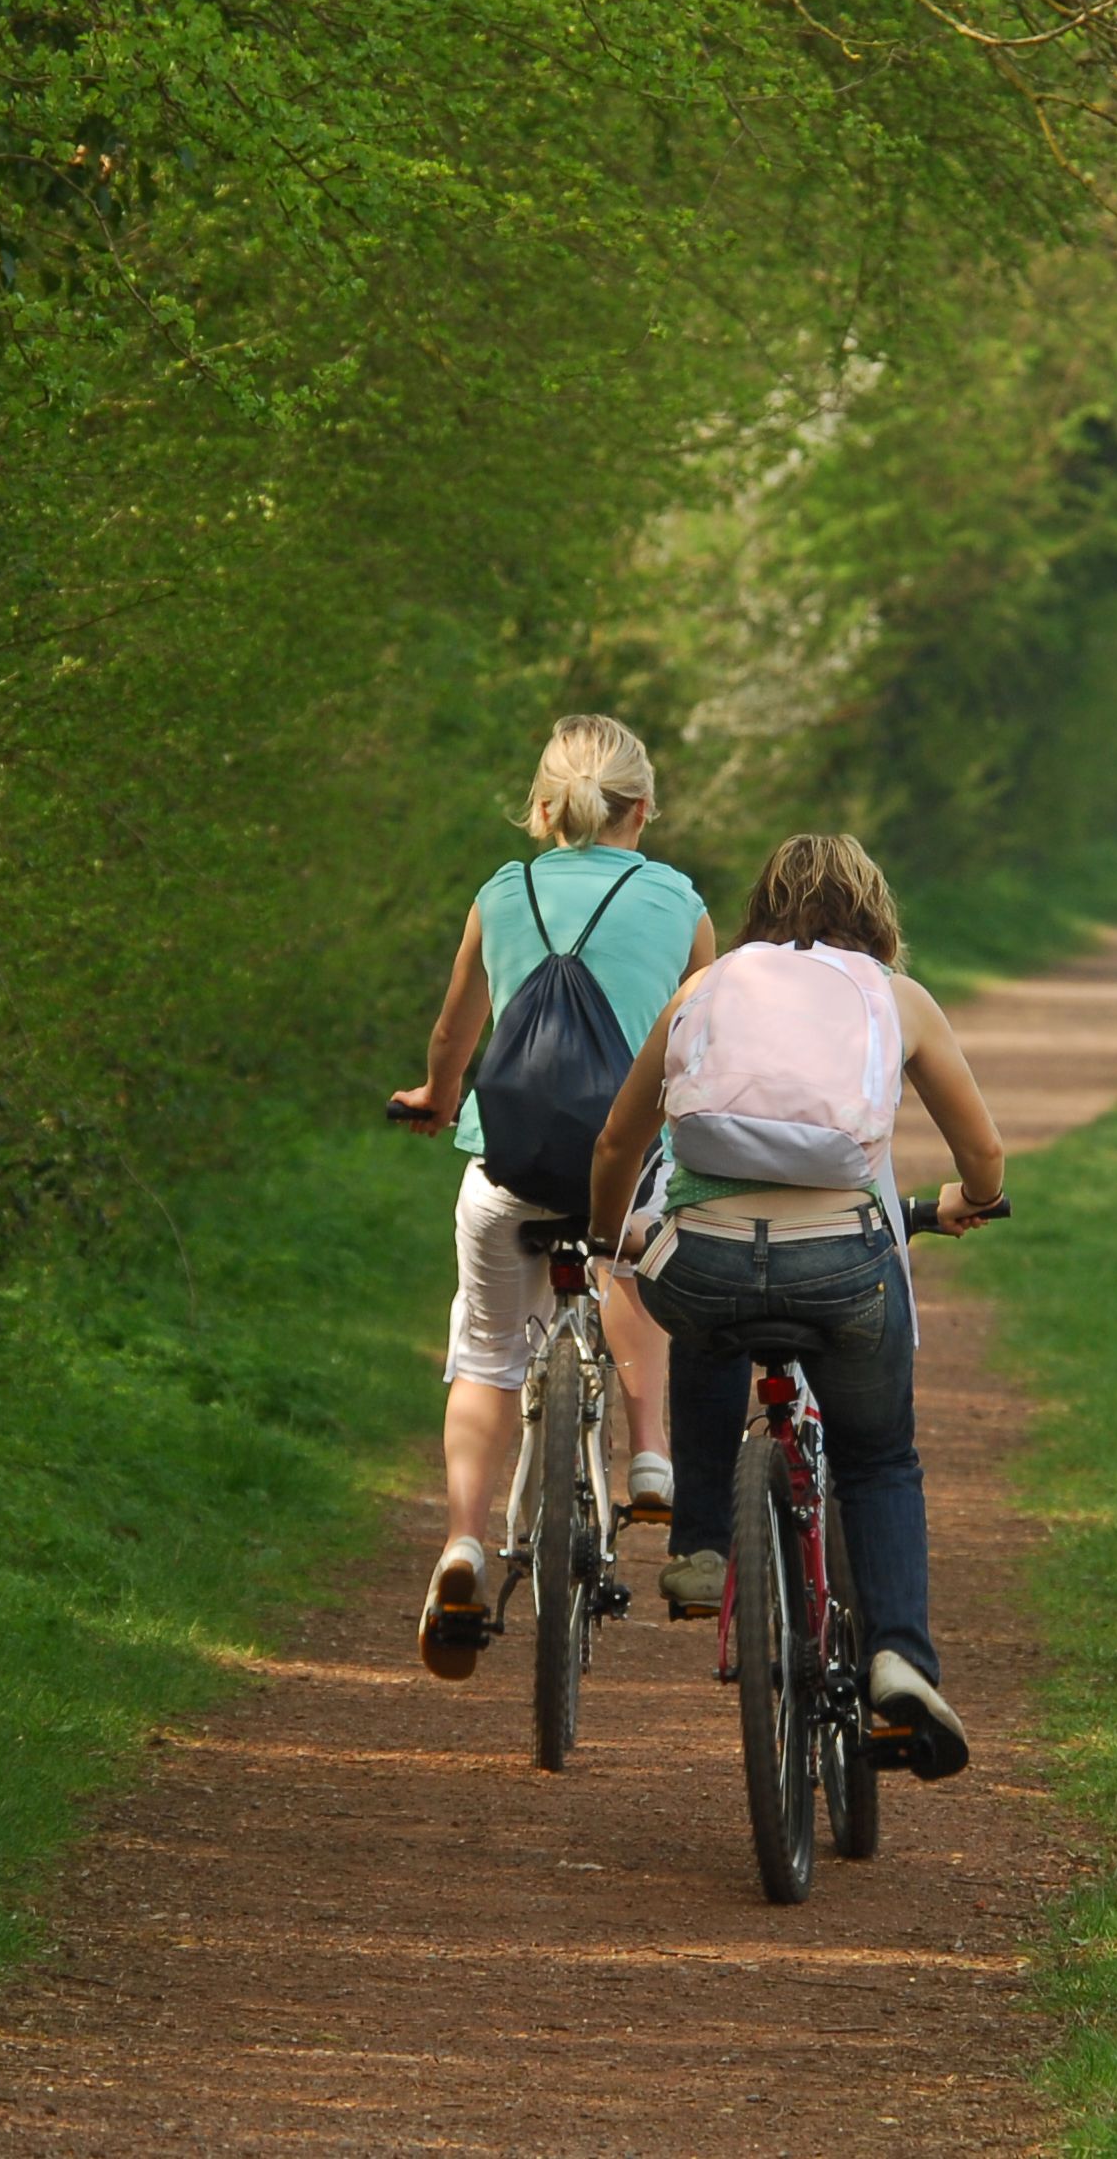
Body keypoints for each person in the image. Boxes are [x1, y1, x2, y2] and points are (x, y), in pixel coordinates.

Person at [587, 833, 1005, 1780]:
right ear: (876, 914)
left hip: (708, 1263)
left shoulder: (709, 988)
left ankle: (699, 1540)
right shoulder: (896, 997)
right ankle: (899, 1654)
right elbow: (984, 1158)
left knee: (698, 1308)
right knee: (879, 1456)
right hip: (844, 1267)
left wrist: (613, 1235)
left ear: (760, 908)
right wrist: (968, 1202)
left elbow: (619, 1143)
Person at [389, 715, 713, 1681]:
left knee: (487, 1353)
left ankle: (461, 1546)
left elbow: (456, 1033)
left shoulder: (502, 891)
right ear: (644, 808)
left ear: (541, 807)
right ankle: (651, 1454)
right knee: (637, 1260)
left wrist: (438, 1099)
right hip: (628, 1165)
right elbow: (707, 1040)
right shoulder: (681, 902)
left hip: (508, 1171)